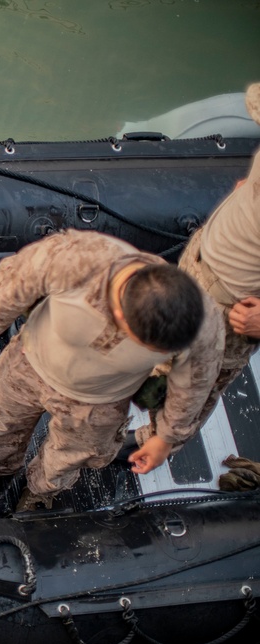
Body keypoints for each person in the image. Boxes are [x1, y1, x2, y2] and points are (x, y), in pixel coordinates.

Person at [0, 229, 224, 511]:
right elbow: (15, 280)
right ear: (117, 316)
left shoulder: (202, 320)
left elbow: (195, 384)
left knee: (69, 455)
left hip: (100, 402)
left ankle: (42, 490)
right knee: (2, 425)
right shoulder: (80, 259)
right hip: (29, 366)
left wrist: (165, 438)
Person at [138, 82, 260, 442]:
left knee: (199, 384)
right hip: (201, 258)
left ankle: (161, 439)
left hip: (233, 307)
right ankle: (151, 382)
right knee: (163, 335)